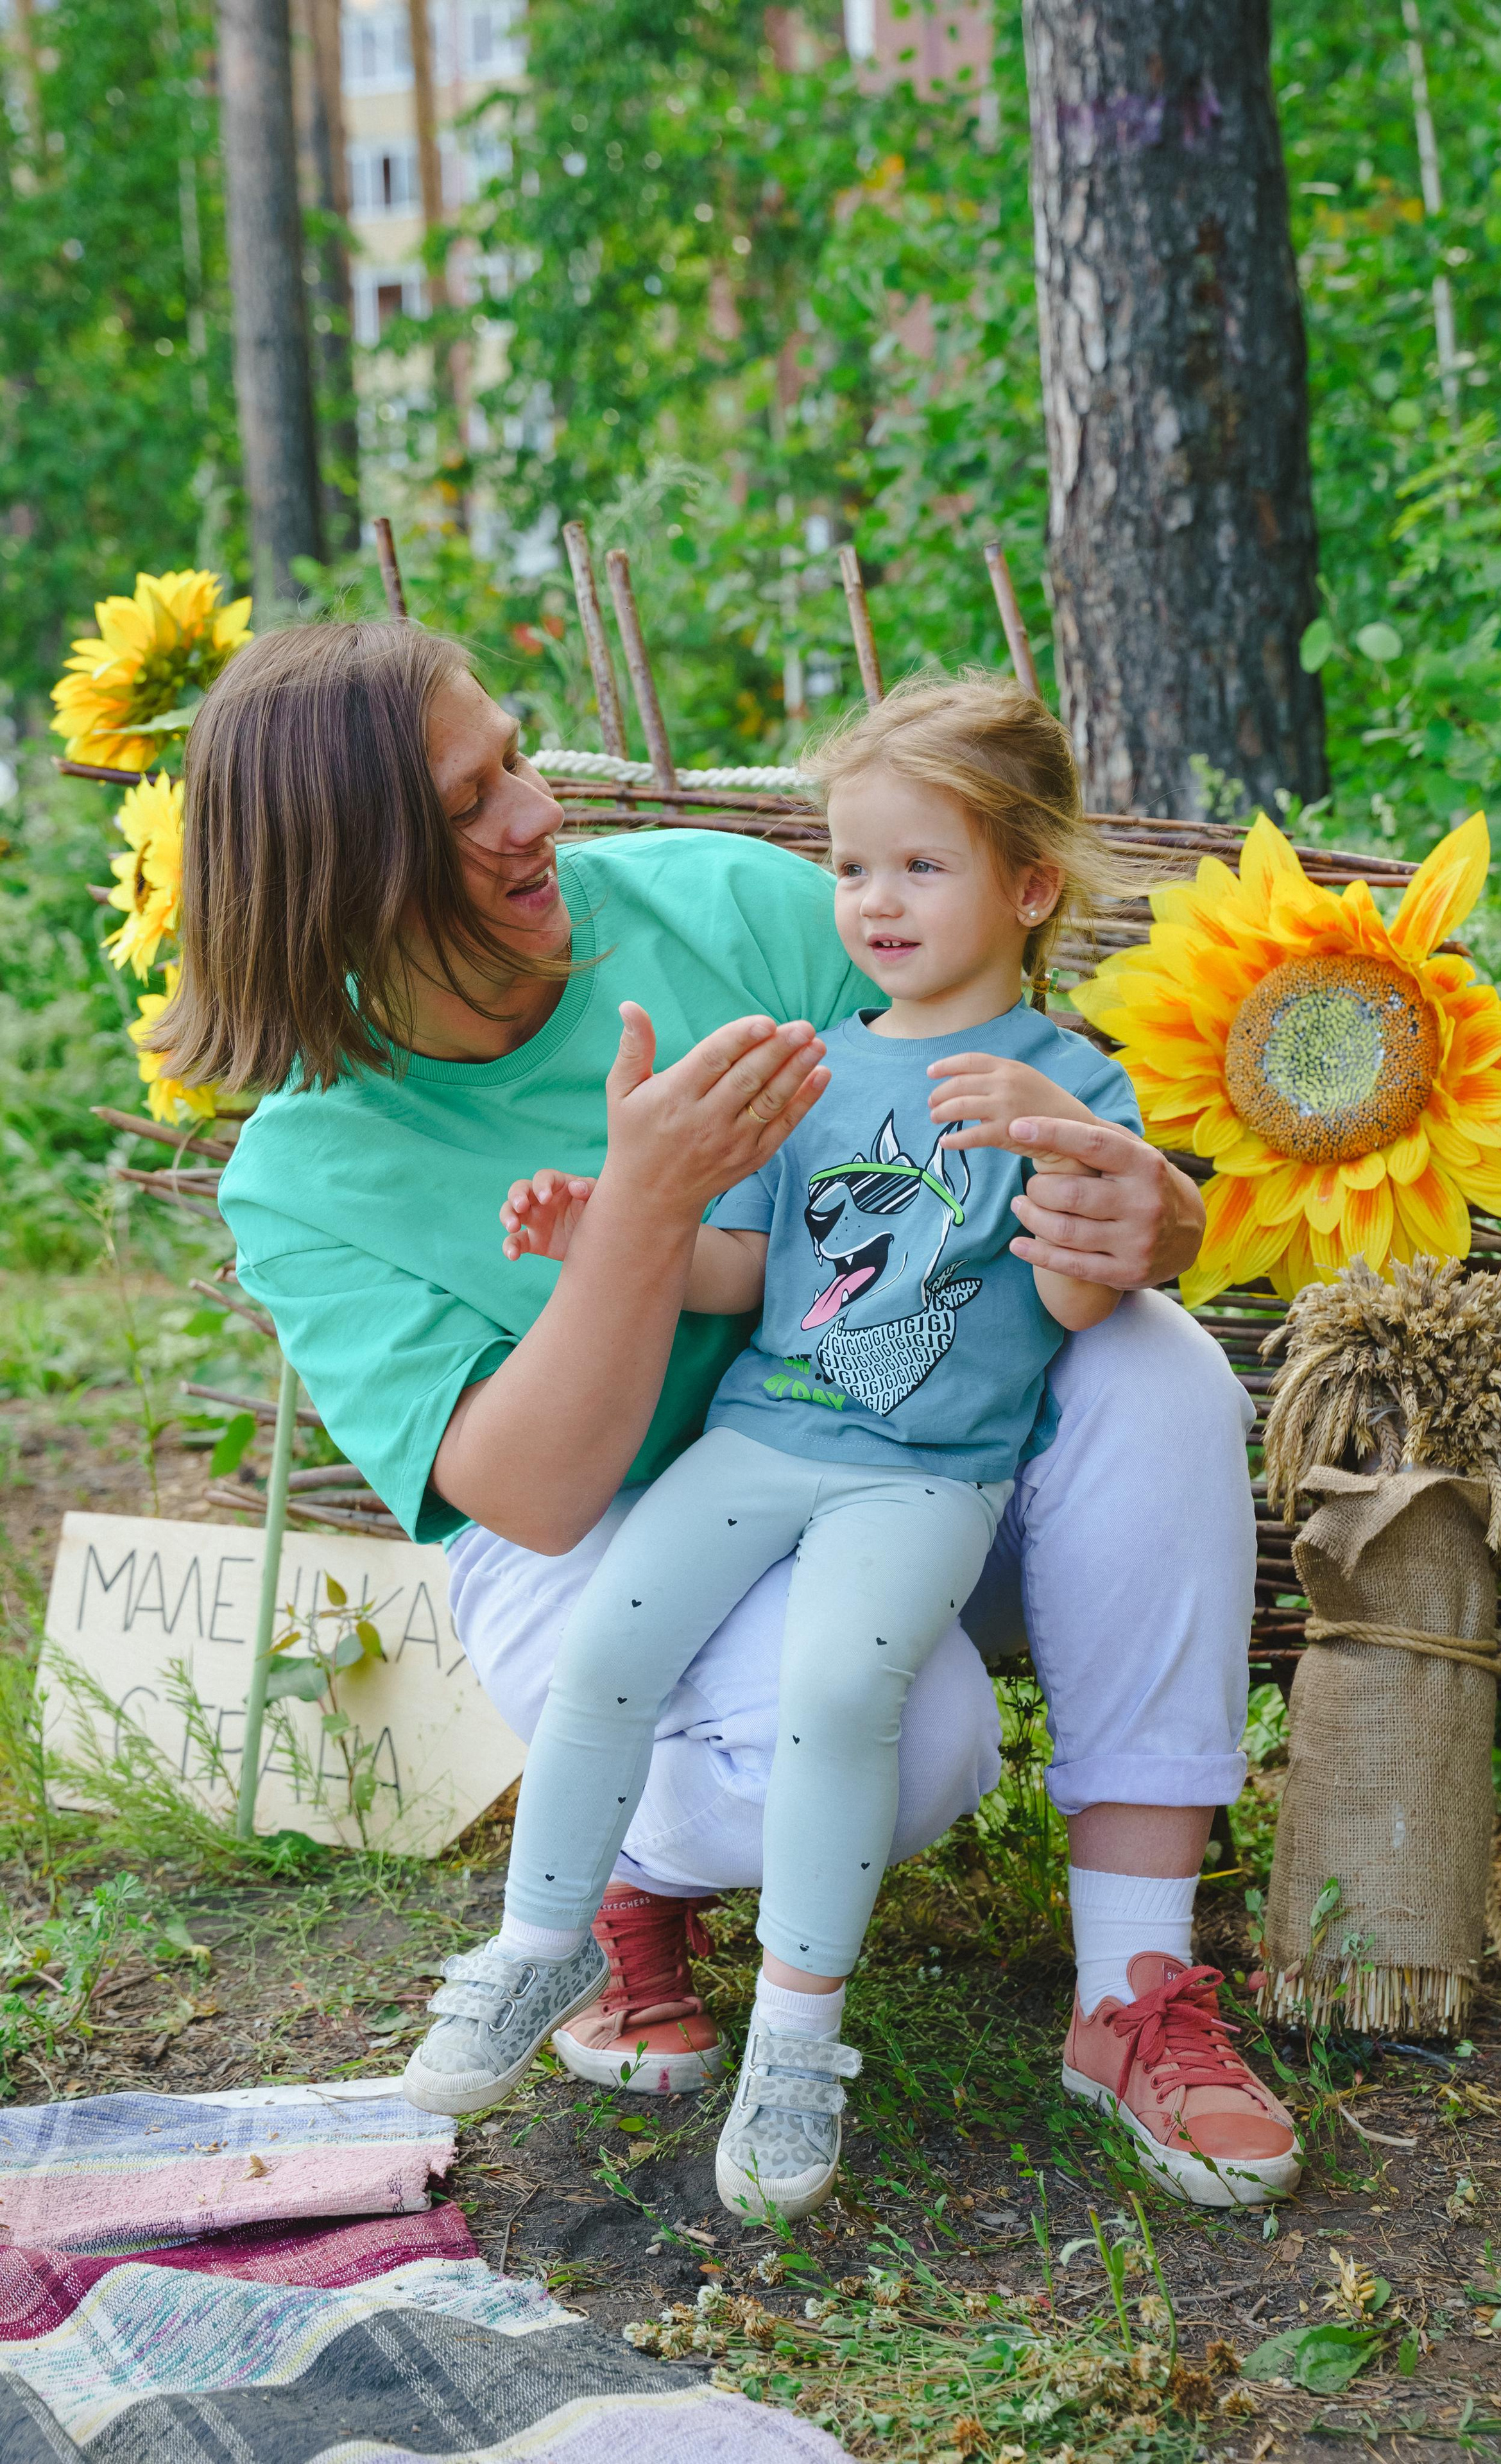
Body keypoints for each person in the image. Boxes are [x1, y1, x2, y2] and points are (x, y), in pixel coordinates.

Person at [167, 620, 1299, 2212]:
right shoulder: (305, 1174)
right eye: (468, 801)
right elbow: (540, 1495)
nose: (538, 812)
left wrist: (1144, 1224)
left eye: (518, 757)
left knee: (1158, 1365)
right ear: (345, 875)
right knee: (909, 1742)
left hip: (899, 1447)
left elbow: (996, 1108)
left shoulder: (724, 911)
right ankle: (626, 1885)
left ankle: (1131, 1990)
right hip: (615, 1530)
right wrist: (637, 1208)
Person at [403, 679, 1145, 2219]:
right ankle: (535, 1950)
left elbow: (1083, 1293)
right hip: (764, 1432)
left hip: (922, 1472)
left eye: (921, 868)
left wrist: (1061, 1150)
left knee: (833, 1691)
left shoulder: (1071, 1082)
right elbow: (743, 1266)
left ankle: (795, 2045)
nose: (874, 901)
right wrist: (605, 1229)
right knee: (615, 1640)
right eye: (853, 866)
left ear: (1027, 887)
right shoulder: (814, 1057)